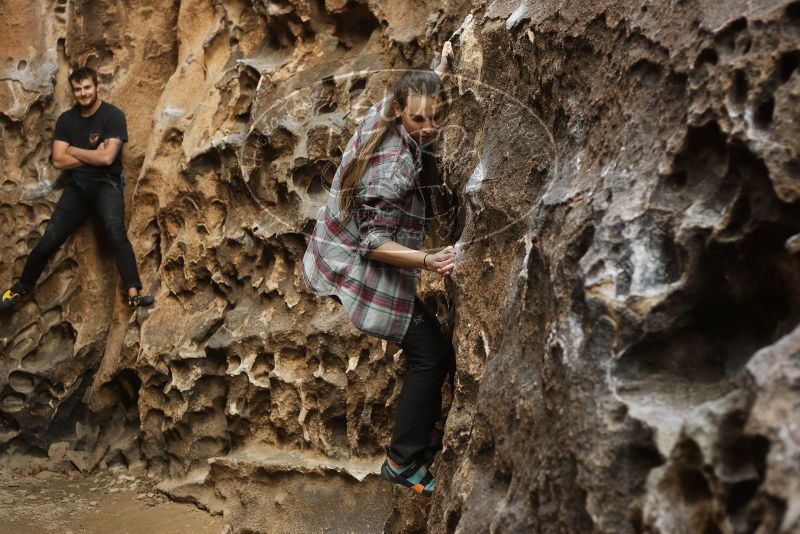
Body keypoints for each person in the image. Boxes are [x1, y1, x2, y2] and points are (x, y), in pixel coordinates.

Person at [302, 42, 456, 497]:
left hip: (336, 245)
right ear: (399, 114)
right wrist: (430, 259)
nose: (430, 128)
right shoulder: (396, 166)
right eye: (420, 120)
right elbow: (374, 245)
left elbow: (421, 94)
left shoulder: (387, 112)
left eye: (437, 116)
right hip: (359, 261)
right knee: (430, 352)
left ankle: (410, 447)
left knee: (429, 348)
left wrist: (440, 70)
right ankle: (402, 461)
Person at [1, 67, 154, 310]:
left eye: (87, 87)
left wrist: (74, 150)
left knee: (115, 232)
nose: (83, 93)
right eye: (78, 89)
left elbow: (107, 160)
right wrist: (94, 153)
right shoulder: (67, 120)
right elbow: (59, 161)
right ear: (74, 91)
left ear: (96, 86)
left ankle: (134, 292)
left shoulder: (113, 116)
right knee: (49, 239)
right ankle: (21, 287)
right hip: (78, 187)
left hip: (107, 184)